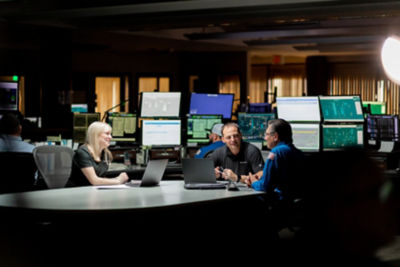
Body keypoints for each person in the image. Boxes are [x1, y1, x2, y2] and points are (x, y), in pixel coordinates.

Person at [245, 119, 304, 202]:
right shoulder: (298, 153)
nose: (265, 138)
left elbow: (266, 186)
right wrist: (261, 179)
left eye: (267, 134)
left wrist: (254, 182)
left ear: (275, 137)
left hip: (279, 203)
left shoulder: (276, 152)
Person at [67, 121, 129, 187]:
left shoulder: (105, 153)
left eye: (110, 134)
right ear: (95, 135)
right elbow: (94, 181)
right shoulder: (82, 153)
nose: (110, 137)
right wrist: (118, 180)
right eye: (107, 134)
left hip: (93, 190)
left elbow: (100, 178)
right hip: (77, 191)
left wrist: (116, 179)